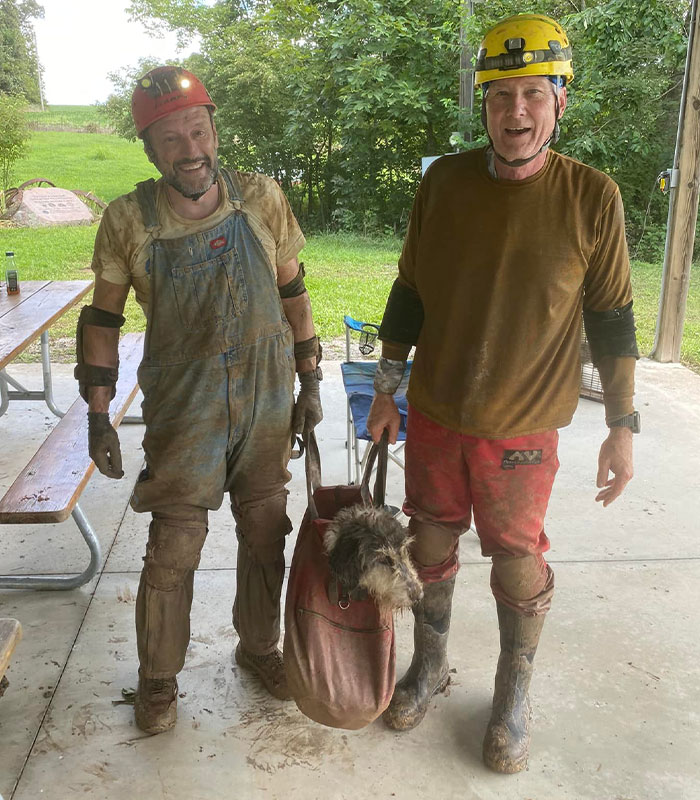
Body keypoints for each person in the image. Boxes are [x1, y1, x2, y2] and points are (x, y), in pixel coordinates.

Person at [367, 14, 640, 773]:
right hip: (438, 414)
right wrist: (386, 389)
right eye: (498, 96)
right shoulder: (444, 183)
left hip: (522, 430)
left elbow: (614, 320)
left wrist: (623, 424)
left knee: (517, 560)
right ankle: (429, 665)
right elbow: (409, 293)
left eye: (531, 94)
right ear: (481, 105)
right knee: (427, 545)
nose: (514, 112)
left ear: (559, 101)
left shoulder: (592, 196)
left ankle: (512, 691)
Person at [75, 65, 323, 735]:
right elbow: (101, 320)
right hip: (186, 411)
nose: (189, 150)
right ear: (150, 150)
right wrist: (98, 411)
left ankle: (259, 647)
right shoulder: (130, 220)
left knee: (267, 530)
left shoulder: (262, 198)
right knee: (175, 544)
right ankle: (158, 678)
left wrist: (312, 379)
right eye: (169, 139)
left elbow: (293, 290)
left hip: (268, 399)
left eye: (197, 129)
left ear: (215, 129)